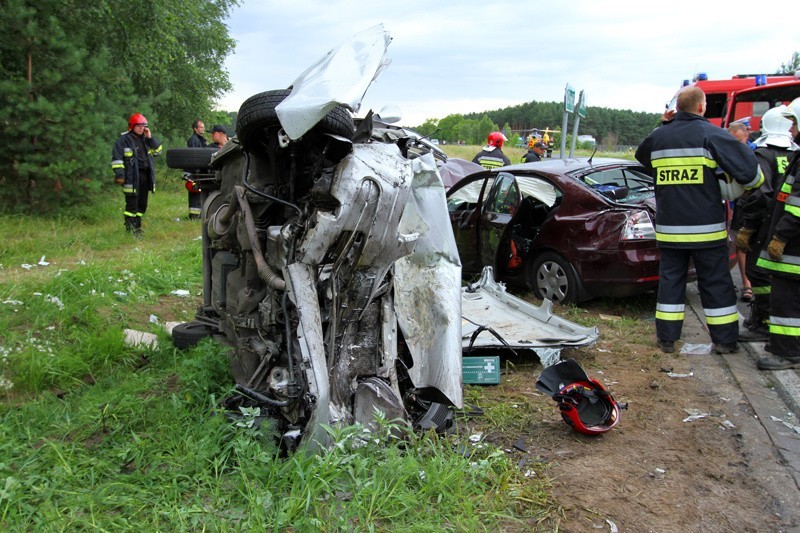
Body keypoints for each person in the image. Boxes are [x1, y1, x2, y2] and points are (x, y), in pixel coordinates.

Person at [635, 86, 763, 355]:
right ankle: (725, 341)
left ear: (677, 108)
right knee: (715, 284)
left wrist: (663, 124)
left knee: (670, 284)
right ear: (703, 107)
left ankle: (667, 340)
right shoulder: (712, 135)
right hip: (707, 232)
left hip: (670, 231)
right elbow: (752, 175)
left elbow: (641, 155)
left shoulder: (658, 138)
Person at [736, 105, 797, 342]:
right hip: (788, 222)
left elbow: (760, 194)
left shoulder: (761, 154)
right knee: (778, 276)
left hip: (766, 222)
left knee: (757, 272)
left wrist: (748, 226)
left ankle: (763, 322)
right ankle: (767, 321)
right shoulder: (793, 153)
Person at [754, 97, 800, 370]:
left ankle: (788, 352)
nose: (791, 130)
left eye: (794, 122)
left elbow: (796, 205)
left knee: (787, 303)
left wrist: (781, 236)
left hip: (794, 246)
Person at [111, 113, 163, 236]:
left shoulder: (146, 140)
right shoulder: (123, 140)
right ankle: (130, 229)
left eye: (144, 126)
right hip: (132, 177)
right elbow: (117, 159)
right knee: (132, 204)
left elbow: (158, 151)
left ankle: (137, 227)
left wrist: (150, 138)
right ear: (132, 126)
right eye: (139, 126)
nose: (142, 128)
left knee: (142, 204)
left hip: (145, 176)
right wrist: (120, 175)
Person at [728, 122, 756, 304]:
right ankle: (747, 285)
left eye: (740, 140)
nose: (737, 144)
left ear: (747, 136)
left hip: (756, 204)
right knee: (740, 244)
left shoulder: (757, 152)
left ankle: (750, 284)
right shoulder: (727, 153)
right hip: (740, 205)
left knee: (748, 244)